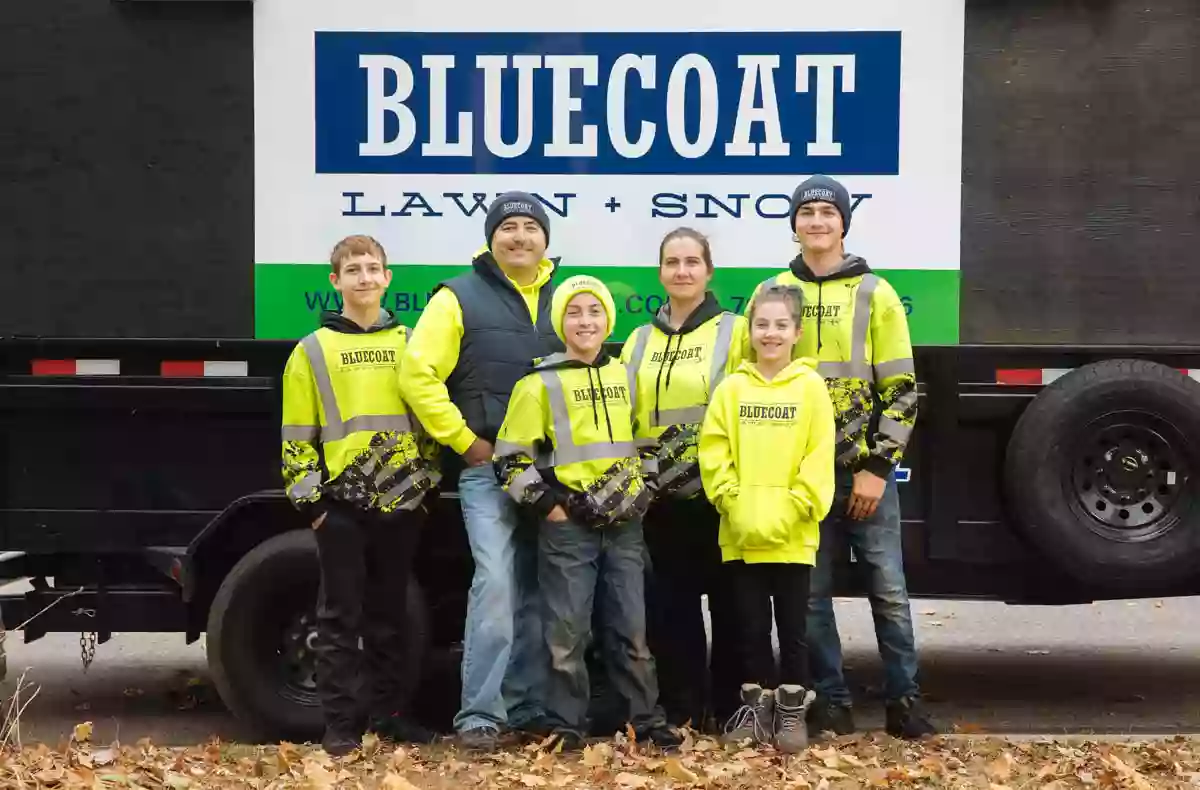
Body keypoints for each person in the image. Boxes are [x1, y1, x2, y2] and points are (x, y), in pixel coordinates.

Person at [745, 174, 936, 739]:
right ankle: (830, 701)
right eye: (807, 213)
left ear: (844, 224)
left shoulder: (875, 293)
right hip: (800, 477)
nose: (817, 221)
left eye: (829, 212)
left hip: (863, 474)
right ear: (795, 224)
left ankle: (905, 701)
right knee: (811, 597)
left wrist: (877, 468)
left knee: (889, 591)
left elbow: (901, 390)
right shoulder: (773, 290)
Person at [492, 274, 683, 752]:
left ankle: (645, 718)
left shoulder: (625, 376)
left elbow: (647, 441)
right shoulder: (538, 384)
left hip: (624, 528)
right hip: (569, 529)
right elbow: (509, 459)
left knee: (631, 631)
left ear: (607, 321)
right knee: (566, 634)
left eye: (594, 312)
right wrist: (550, 508)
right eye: (574, 312)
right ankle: (566, 725)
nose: (585, 321)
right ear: (560, 322)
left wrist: (644, 488)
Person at [400, 193, 559, 750]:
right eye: (508, 227)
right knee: (495, 584)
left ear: (546, 239)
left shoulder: (566, 299)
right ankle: (480, 717)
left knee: (541, 592)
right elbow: (417, 375)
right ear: (492, 238)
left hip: (550, 476)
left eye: (531, 227)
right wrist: (467, 444)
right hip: (488, 474)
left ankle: (528, 708)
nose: (520, 237)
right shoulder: (456, 298)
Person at [281, 234, 441, 755]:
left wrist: (426, 488)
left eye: (373, 268)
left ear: (388, 277)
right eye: (353, 270)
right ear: (336, 281)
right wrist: (314, 508)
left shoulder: (413, 345)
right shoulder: (310, 352)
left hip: (403, 505)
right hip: (341, 510)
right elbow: (296, 436)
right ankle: (342, 727)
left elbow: (431, 423)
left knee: (391, 617)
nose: (365, 277)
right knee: (338, 620)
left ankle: (391, 717)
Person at [698, 283, 835, 753]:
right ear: (750, 330)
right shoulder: (732, 389)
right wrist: (733, 502)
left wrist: (794, 508)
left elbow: (819, 457)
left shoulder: (812, 387)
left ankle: (792, 712)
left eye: (780, 325)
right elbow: (714, 451)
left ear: (797, 332)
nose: (770, 333)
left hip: (794, 536)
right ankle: (757, 710)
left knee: (795, 631)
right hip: (740, 534)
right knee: (750, 630)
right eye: (762, 324)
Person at [619, 227, 744, 732]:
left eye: (693, 262)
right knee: (673, 615)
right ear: (661, 273)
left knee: (735, 610)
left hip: (720, 494)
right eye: (673, 263)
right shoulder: (639, 340)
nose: (683, 271)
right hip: (661, 499)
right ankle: (686, 711)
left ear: (709, 271)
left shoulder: (735, 332)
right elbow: (623, 417)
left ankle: (735, 710)